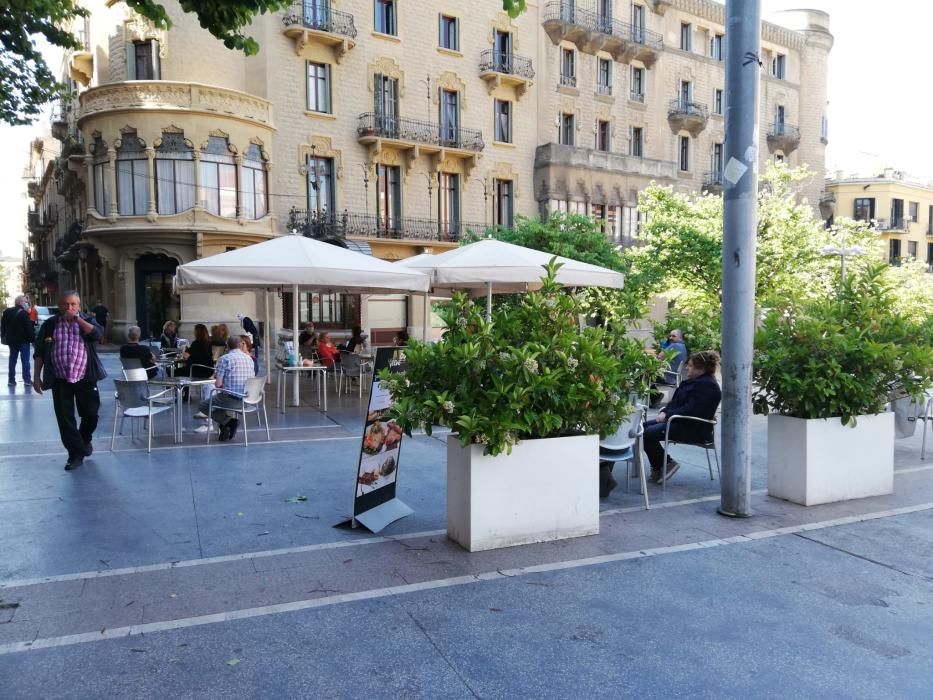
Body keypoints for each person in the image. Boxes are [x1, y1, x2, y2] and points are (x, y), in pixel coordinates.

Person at [33, 290, 107, 471]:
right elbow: (40, 352)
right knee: (65, 419)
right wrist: (36, 377)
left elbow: (97, 334)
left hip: (85, 377)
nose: (69, 308)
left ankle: (84, 439)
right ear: (59, 306)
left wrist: (77, 320)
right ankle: (75, 454)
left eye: (73, 304)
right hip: (60, 378)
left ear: (79, 306)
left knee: (91, 414)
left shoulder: (87, 320)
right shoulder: (50, 324)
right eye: (65, 304)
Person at [642, 351, 722, 484]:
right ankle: (661, 466)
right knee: (642, 427)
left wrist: (667, 415)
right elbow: (675, 403)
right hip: (681, 422)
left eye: (690, 366)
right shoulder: (694, 382)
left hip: (693, 428)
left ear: (700, 368)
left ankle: (665, 464)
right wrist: (665, 412)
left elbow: (691, 409)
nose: (687, 368)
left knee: (648, 433)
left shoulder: (708, 386)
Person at [196, 335, 254, 441]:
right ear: (240, 344)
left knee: (203, 405)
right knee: (218, 403)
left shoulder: (225, 359)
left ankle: (230, 422)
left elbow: (218, 384)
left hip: (231, 399)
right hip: (248, 399)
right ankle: (224, 427)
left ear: (227, 346)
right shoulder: (249, 358)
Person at [2, 294, 35, 386]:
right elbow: (29, 328)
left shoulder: (7, 312)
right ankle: (27, 380)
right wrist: (33, 340)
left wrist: (4, 337)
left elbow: (3, 326)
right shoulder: (24, 313)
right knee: (25, 361)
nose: (27, 303)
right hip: (23, 341)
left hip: (11, 341)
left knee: (12, 360)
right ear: (20, 302)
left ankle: (11, 380)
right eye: (25, 302)